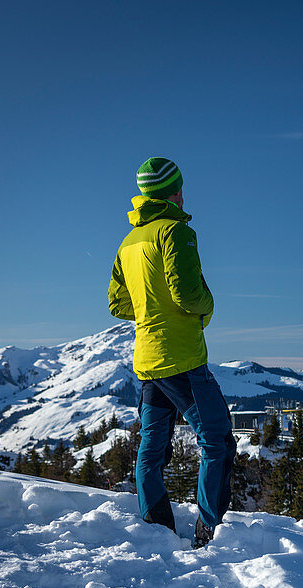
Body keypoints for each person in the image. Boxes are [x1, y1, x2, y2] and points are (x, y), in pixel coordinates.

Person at [108, 157, 235, 548]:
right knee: (217, 439)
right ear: (175, 192)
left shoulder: (129, 241)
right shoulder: (177, 232)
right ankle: (209, 529)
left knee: (152, 444)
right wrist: (207, 305)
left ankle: (156, 523)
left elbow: (118, 303)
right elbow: (189, 293)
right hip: (181, 357)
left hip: (147, 360)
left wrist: (149, 311)